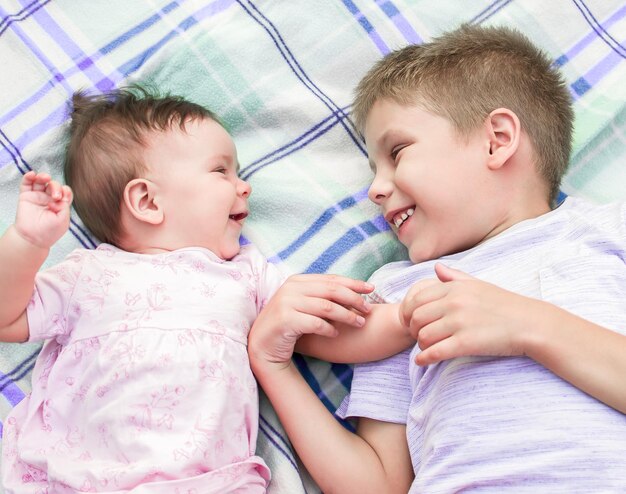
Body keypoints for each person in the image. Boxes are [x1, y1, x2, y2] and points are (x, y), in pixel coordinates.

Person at [248, 24, 626, 493]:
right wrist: (274, 366)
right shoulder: (399, 295)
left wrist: (530, 326)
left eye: (398, 151)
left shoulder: (608, 232)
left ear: (497, 139)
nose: (375, 189)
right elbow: (379, 485)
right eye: (374, 169)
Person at [0, 87, 408, 492]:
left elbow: (334, 333)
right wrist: (27, 242)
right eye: (221, 171)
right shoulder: (87, 276)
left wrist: (406, 319)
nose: (244, 185)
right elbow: (7, 317)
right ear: (146, 200)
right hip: (80, 480)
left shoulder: (247, 276)